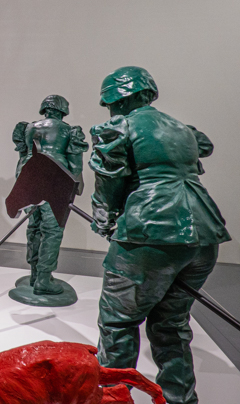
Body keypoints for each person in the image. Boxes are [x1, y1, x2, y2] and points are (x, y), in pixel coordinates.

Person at [89, 66, 231, 404]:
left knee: (118, 322)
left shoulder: (120, 126)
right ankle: (180, 399)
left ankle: (113, 399)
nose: (111, 109)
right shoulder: (182, 129)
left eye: (112, 102)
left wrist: (104, 218)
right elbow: (201, 149)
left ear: (123, 99)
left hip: (150, 232)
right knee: (172, 325)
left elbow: (110, 181)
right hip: (204, 234)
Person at [12, 95, 88, 295]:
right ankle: (44, 279)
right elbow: (75, 163)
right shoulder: (69, 131)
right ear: (63, 110)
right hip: (55, 180)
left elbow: (23, 158)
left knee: (34, 226)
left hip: (29, 179)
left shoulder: (27, 128)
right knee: (52, 230)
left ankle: (34, 274)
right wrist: (77, 184)